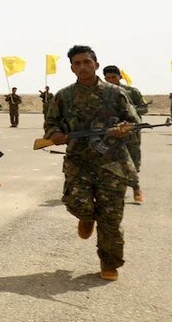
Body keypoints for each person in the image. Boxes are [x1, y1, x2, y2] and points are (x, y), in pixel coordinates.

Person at [44, 46, 139, 281]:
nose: (82, 67)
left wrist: (123, 129)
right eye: (77, 63)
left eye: (87, 62)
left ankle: (110, 263)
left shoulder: (115, 93)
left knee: (111, 218)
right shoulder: (64, 96)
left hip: (112, 163)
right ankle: (86, 217)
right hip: (79, 162)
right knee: (76, 203)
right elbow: (51, 122)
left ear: (96, 65)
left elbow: (133, 122)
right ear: (72, 68)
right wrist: (55, 134)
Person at [102, 66, 147, 204]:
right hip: (110, 132)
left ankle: (136, 188)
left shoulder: (132, 91)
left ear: (120, 77)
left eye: (113, 77)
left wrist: (131, 110)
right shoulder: (102, 92)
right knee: (111, 160)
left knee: (133, 159)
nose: (111, 80)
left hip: (130, 131)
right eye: (108, 78)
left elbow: (144, 108)